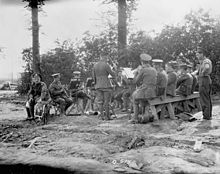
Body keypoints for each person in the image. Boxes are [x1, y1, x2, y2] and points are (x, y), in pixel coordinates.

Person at [129, 53, 157, 124]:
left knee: (134, 97)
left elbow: (135, 81)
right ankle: (145, 115)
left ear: (142, 62)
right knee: (144, 101)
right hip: (153, 92)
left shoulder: (143, 70)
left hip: (145, 91)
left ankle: (135, 118)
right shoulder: (154, 69)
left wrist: (136, 73)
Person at [92, 54, 116, 120]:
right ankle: (107, 117)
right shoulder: (106, 65)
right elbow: (113, 75)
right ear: (106, 58)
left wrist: (96, 83)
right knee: (107, 102)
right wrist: (113, 68)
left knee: (100, 102)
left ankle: (101, 116)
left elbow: (93, 77)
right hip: (106, 85)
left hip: (98, 85)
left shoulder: (95, 65)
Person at [196, 47, 212, 120]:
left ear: (202, 54)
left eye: (198, 54)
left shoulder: (206, 61)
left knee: (204, 98)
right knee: (206, 98)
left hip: (204, 80)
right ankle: (208, 115)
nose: (197, 56)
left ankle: (206, 116)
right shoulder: (203, 61)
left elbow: (207, 67)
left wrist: (202, 73)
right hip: (205, 79)